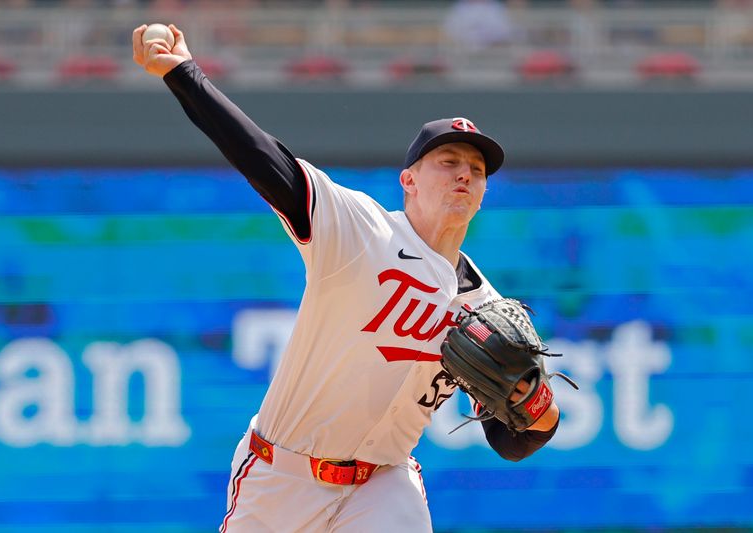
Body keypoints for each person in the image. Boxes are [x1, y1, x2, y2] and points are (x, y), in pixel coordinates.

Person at [132, 23, 561, 533]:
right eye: (448, 162)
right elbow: (263, 159)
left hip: (384, 485)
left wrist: (538, 408)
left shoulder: (485, 308)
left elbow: (512, 440)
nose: (465, 174)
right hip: (282, 475)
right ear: (409, 181)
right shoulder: (359, 229)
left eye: (477, 168)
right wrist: (185, 74)